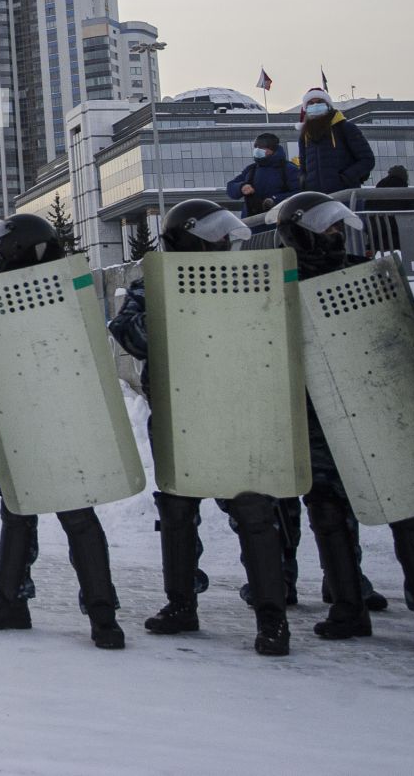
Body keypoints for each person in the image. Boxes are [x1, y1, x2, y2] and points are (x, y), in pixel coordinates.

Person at [271, 192, 414, 654]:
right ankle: (348, 607)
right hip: (317, 416)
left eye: (337, 228)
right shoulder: (276, 282)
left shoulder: (366, 271)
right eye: (326, 228)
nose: (336, 235)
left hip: (377, 404)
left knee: (407, 508)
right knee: (329, 513)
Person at [108, 198, 293, 656]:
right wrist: (180, 312)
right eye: (212, 235)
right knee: (176, 510)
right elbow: (128, 332)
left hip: (235, 410)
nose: (224, 242)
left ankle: (272, 618)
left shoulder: (247, 277)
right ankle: (181, 604)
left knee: (253, 510)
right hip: (178, 411)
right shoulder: (152, 284)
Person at [0, 214, 125, 650]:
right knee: (22, 509)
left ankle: (101, 613)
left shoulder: (59, 295)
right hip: (23, 420)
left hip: (56, 420)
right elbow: (4, 361)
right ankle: (16, 600)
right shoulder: (19, 295)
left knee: (70, 513)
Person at [295, 88, 374, 193]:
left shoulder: (345, 128)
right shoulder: (305, 135)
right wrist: (304, 182)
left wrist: (346, 178)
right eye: (310, 103)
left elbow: (367, 160)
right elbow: (303, 167)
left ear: (328, 105)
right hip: (316, 198)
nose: (315, 106)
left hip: (345, 195)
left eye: (319, 102)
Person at [227, 133, 300, 215]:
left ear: (272, 150)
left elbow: (299, 193)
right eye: (256, 147)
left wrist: (275, 200)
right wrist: (241, 187)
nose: (257, 150)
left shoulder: (288, 169)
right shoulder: (251, 169)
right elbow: (230, 187)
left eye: (261, 148)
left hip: (277, 221)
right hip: (251, 222)